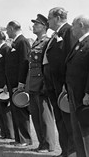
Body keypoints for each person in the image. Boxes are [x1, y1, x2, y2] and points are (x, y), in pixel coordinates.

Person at [65, 15, 89, 157]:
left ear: (80, 25)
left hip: (85, 96)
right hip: (75, 92)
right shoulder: (81, 43)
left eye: (73, 25)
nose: (71, 28)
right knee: (78, 133)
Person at [42, 7, 75, 157]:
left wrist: (66, 83)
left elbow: (70, 58)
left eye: (49, 18)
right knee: (60, 117)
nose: (48, 21)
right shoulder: (55, 35)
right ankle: (65, 150)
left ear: (57, 17)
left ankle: (72, 151)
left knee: (67, 118)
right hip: (52, 82)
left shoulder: (68, 31)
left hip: (61, 83)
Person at [27, 14, 55, 153]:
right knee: (36, 116)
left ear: (44, 26)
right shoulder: (35, 42)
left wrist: (45, 84)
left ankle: (49, 144)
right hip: (33, 83)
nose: (33, 26)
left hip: (41, 84)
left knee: (45, 116)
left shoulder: (47, 42)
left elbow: (46, 66)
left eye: (36, 24)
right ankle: (41, 143)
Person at [5, 21, 32, 146]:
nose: (6, 32)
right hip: (12, 83)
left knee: (21, 111)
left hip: (18, 83)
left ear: (11, 28)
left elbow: (24, 62)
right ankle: (18, 138)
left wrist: (21, 82)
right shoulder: (16, 42)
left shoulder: (22, 42)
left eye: (7, 29)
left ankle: (24, 139)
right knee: (15, 111)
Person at [0, 31, 14, 139]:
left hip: (3, 84)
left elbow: (7, 67)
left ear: (0, 38)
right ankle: (4, 132)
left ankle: (9, 133)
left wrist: (6, 84)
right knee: (0, 109)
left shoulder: (5, 48)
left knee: (5, 110)